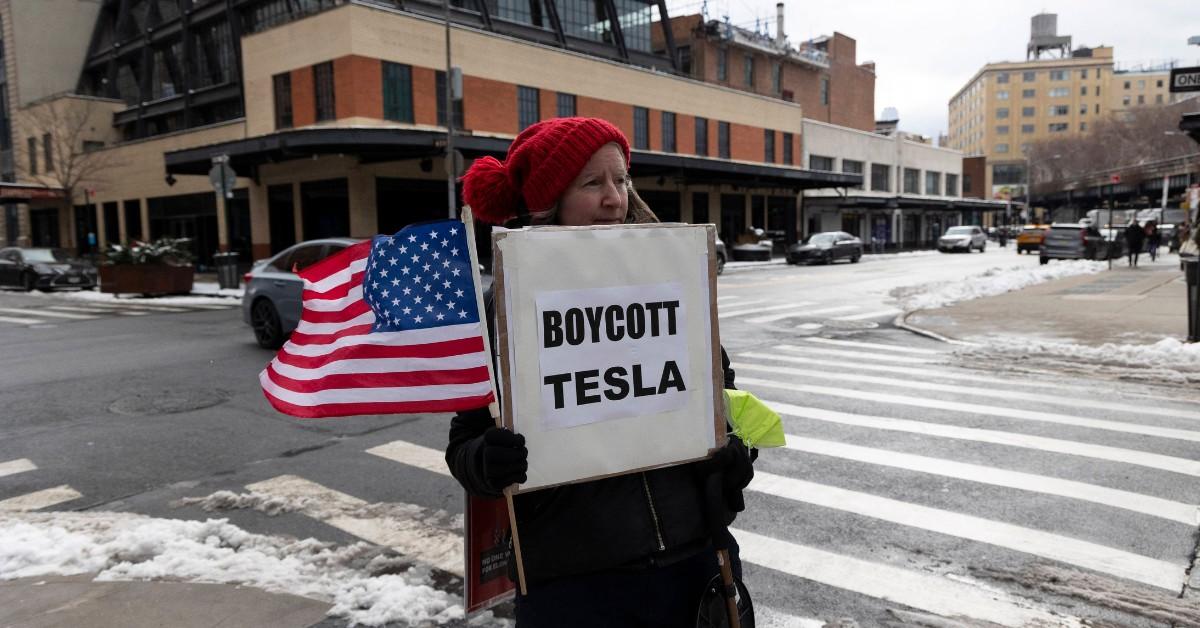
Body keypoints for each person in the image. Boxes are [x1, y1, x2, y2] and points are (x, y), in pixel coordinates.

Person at [445, 117, 755, 627]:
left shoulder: (672, 281)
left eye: (621, 179)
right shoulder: (505, 310)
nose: (615, 198)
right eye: (593, 183)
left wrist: (733, 452)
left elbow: (724, 399)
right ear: (549, 204)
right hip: (576, 589)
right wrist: (489, 462)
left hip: (694, 567)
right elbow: (465, 445)